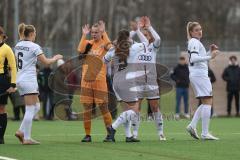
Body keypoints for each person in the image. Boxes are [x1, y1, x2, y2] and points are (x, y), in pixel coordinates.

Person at [104, 19, 152, 142]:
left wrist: (113, 46)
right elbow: (146, 42)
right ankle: (112, 128)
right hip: (127, 82)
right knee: (134, 111)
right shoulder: (134, 48)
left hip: (115, 82)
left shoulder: (113, 50)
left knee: (126, 110)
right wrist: (137, 31)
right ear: (128, 39)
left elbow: (104, 60)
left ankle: (128, 136)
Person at [14, 24, 63, 145]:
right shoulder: (34, 46)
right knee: (31, 108)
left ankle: (21, 131)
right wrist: (55, 58)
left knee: (36, 107)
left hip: (20, 79)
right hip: (29, 80)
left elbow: (21, 37)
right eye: (34, 33)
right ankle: (27, 138)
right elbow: (46, 61)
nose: (35, 35)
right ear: (31, 34)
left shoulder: (18, 45)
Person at [127, 16, 166, 140]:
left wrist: (149, 27)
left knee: (154, 106)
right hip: (137, 81)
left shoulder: (153, 48)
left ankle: (160, 132)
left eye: (147, 34)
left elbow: (158, 38)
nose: (146, 36)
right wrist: (135, 29)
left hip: (151, 81)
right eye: (144, 34)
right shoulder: (136, 46)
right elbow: (126, 39)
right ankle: (135, 133)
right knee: (136, 107)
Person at [77, 21, 113, 142]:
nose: (93, 34)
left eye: (96, 32)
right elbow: (80, 50)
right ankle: (87, 135)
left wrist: (105, 32)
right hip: (86, 81)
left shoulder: (104, 44)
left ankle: (110, 133)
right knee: (87, 108)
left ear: (101, 33)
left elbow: (111, 47)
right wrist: (84, 35)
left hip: (99, 81)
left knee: (103, 107)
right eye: (92, 32)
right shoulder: (88, 43)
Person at [186, 22, 220, 140]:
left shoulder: (194, 42)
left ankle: (192, 125)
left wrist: (209, 52)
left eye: (200, 29)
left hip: (197, 74)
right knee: (208, 102)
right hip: (199, 75)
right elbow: (194, 58)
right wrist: (211, 56)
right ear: (191, 32)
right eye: (196, 30)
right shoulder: (194, 42)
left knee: (206, 102)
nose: (199, 31)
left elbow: (198, 58)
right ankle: (205, 133)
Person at [0, 26, 17, 144]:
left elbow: (14, 68)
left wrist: (13, 84)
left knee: (1, 108)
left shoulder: (7, 49)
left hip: (2, 80)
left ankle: (1, 137)